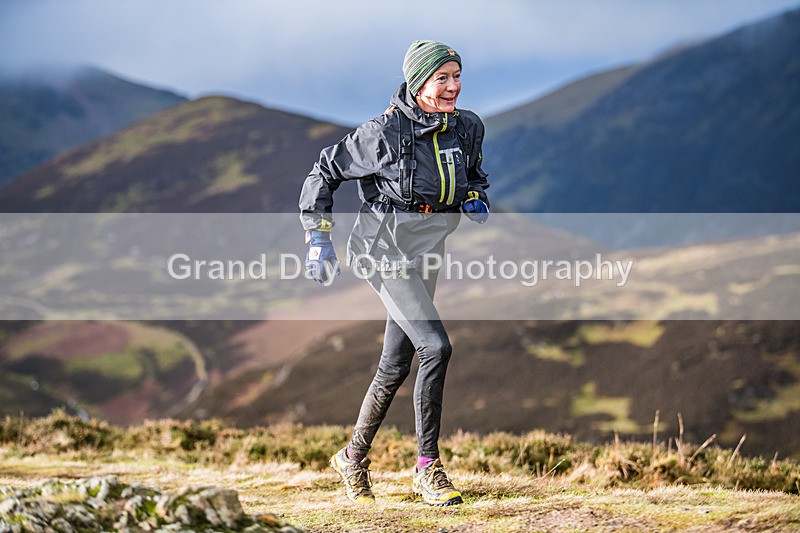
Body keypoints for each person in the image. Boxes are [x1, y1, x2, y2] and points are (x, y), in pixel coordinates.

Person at [299, 39, 489, 506]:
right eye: (441, 78)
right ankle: (428, 470)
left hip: (427, 248)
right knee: (436, 347)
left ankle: (352, 457)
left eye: (456, 76)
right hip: (382, 249)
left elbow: (473, 173)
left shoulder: (467, 128)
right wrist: (317, 236)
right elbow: (324, 171)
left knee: (396, 362)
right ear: (417, 81)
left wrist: (473, 196)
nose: (452, 87)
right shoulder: (384, 133)